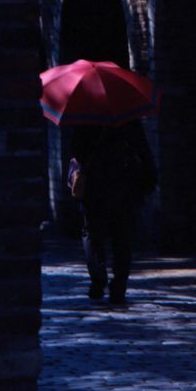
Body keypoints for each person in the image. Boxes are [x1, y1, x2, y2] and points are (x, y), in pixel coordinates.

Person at [70, 119, 157, 305]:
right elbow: (143, 150)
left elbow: (76, 152)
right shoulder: (128, 120)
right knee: (122, 238)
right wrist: (149, 181)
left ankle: (98, 278)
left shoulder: (85, 120)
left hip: (95, 188)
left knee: (92, 234)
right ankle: (119, 287)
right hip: (124, 187)